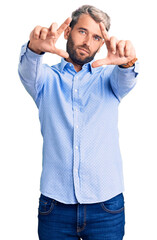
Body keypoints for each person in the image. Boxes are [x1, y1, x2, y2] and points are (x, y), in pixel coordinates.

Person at [18, 5, 139, 240]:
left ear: (101, 44)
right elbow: (27, 70)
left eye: (96, 37)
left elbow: (127, 78)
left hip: (106, 207)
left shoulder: (110, 79)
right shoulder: (44, 79)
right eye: (82, 31)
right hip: (55, 208)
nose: (87, 41)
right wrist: (34, 50)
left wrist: (126, 62)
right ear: (67, 32)